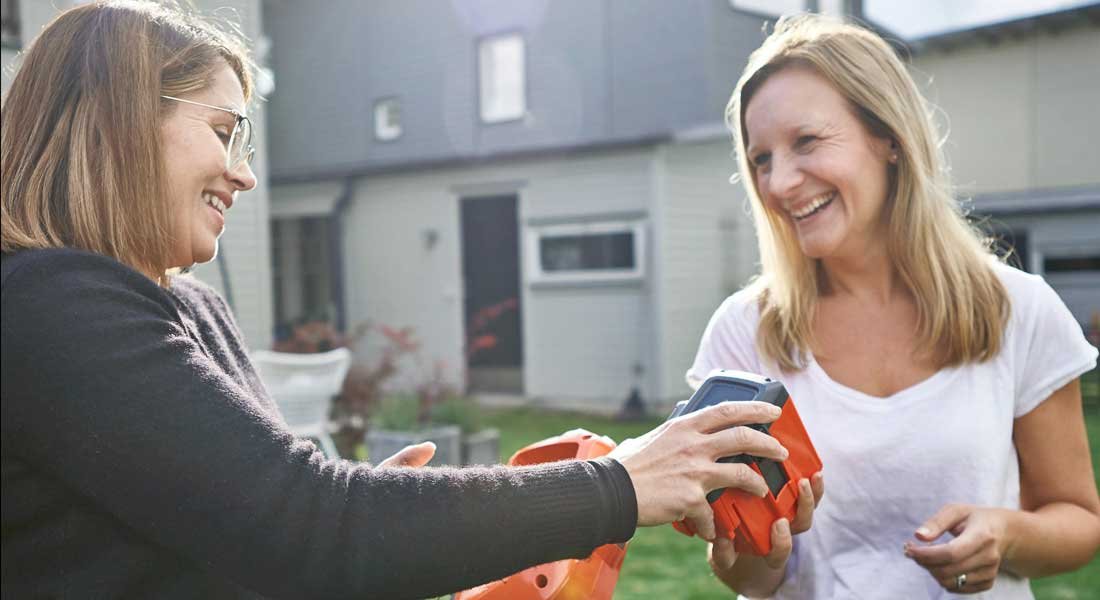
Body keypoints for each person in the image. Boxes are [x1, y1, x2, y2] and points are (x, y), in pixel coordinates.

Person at [0, 2, 790, 598]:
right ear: (121, 125)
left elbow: (268, 533)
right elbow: (310, 527)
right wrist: (619, 485)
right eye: (223, 131)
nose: (243, 174)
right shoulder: (51, 309)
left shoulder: (190, 305)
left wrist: (393, 521)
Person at [691, 14, 1100, 599]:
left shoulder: (1019, 309)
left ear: (888, 139)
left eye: (805, 141)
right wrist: (751, 553)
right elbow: (750, 578)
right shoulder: (744, 334)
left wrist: (1005, 535)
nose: (778, 183)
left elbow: (1079, 522)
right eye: (760, 159)